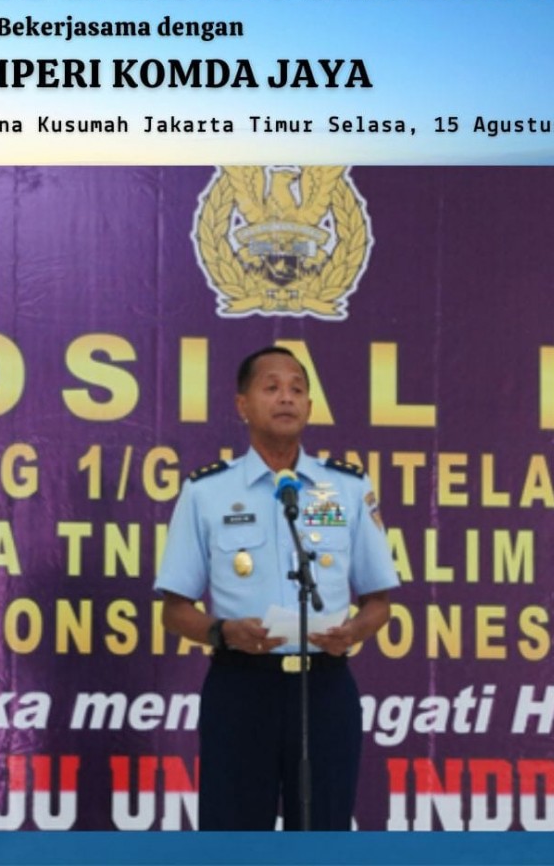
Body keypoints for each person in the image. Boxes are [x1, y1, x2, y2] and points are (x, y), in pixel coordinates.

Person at [155, 345, 399, 830]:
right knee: (235, 843)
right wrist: (224, 632)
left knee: (323, 836)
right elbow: (175, 609)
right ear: (242, 405)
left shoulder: (344, 488)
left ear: (309, 405)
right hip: (241, 687)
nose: (286, 398)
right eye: (271, 387)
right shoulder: (207, 492)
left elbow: (378, 601)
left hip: (324, 688)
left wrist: (352, 633)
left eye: (297, 389)